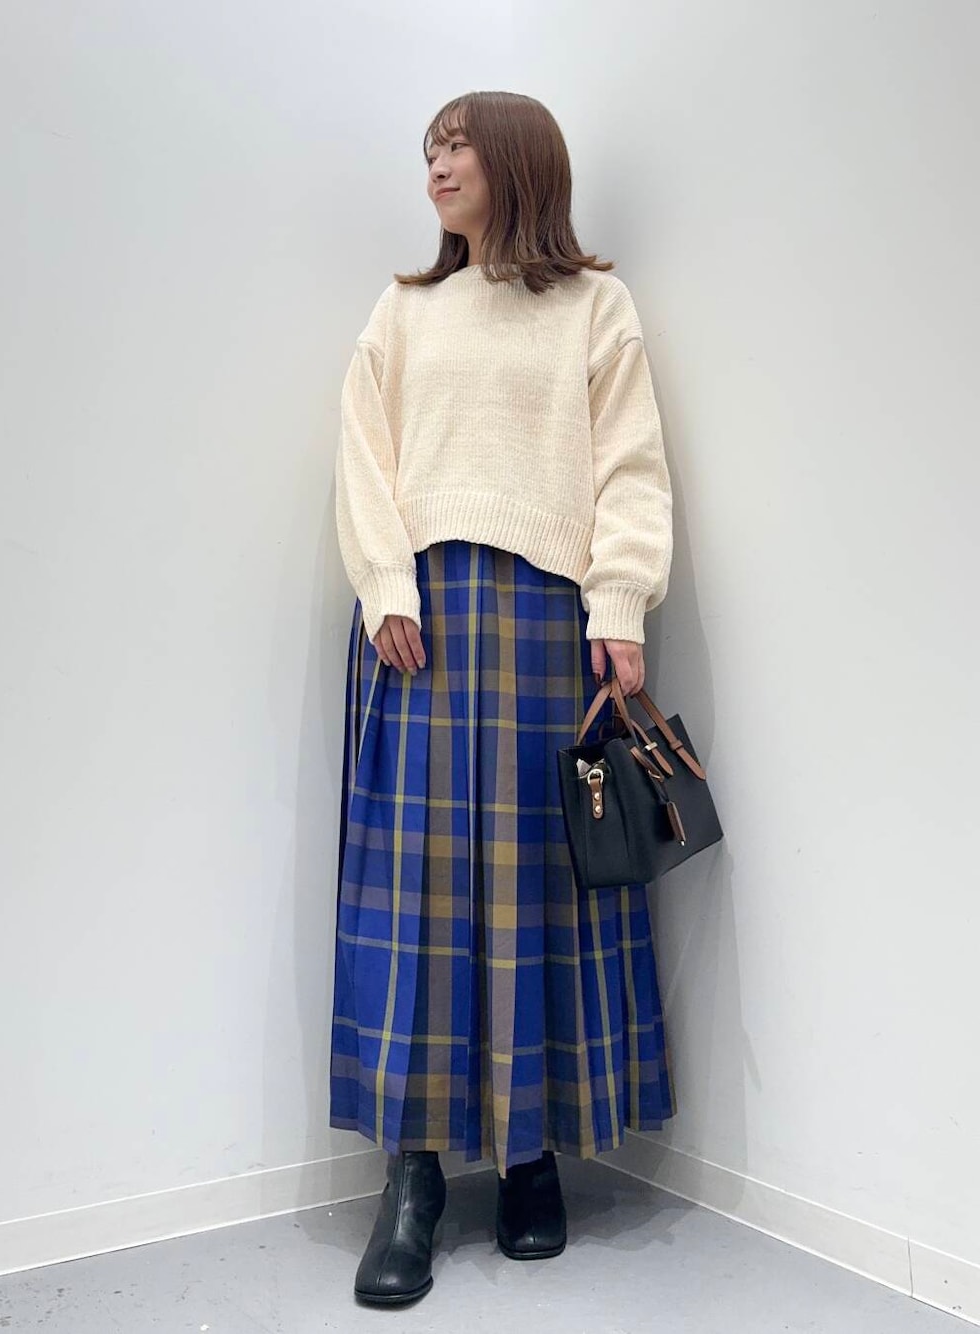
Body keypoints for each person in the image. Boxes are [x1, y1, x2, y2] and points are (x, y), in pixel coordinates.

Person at [330, 89, 677, 1307]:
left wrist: (620, 602)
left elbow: (629, 462)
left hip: (547, 619)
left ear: (520, 160)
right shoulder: (405, 309)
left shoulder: (594, 307)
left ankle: (533, 1157)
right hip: (418, 621)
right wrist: (385, 582)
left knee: (542, 885)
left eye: (457, 145)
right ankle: (414, 1179)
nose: (435, 165)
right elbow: (363, 454)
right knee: (420, 895)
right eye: (428, 149)